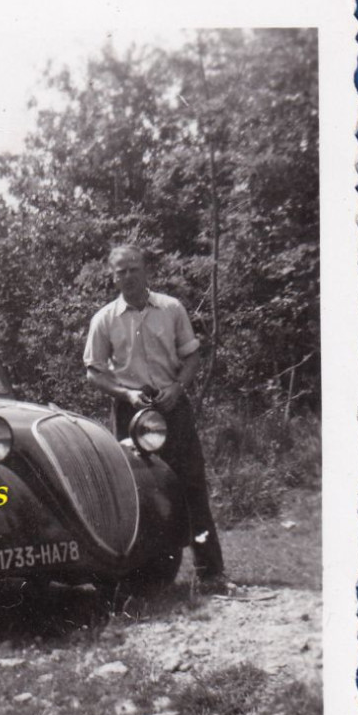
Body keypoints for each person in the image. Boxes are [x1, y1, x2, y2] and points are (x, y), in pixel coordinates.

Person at [84, 244, 226, 589]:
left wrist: (177, 388)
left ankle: (211, 573)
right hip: (131, 412)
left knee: (191, 485)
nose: (128, 276)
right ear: (112, 276)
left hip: (172, 408)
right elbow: (94, 372)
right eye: (121, 271)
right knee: (135, 492)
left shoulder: (171, 308)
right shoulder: (104, 319)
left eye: (133, 269)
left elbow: (192, 357)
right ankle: (140, 578)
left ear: (146, 270)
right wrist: (126, 394)